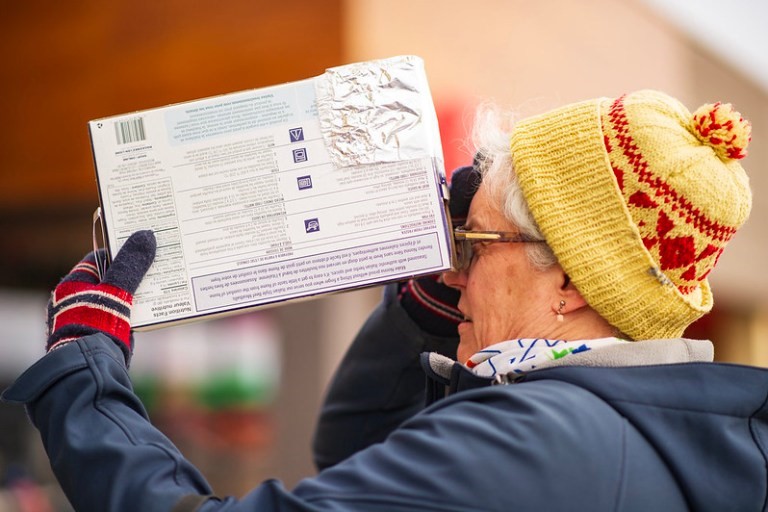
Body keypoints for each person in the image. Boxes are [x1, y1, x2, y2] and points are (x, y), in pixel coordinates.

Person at [3, 89, 765, 511]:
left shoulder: (537, 438)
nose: (457, 270)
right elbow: (359, 459)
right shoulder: (650, 425)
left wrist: (84, 371)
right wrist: (432, 304)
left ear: (566, 283)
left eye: (473, 246)